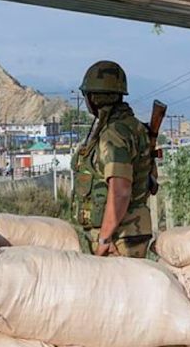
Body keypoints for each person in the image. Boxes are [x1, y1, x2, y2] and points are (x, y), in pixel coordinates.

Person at [72, 61, 153, 258]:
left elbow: (120, 191)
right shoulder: (133, 127)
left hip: (119, 237)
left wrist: (105, 239)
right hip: (128, 231)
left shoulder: (114, 135)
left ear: (93, 97)